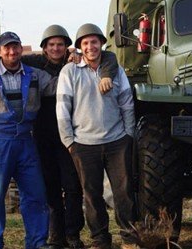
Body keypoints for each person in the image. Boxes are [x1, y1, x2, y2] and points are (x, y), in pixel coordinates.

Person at [0, 25, 119, 249]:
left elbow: (105, 57)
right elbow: (1, 64)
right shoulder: (31, 66)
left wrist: (81, 60)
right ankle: (50, 237)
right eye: (51, 44)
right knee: (40, 191)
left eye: (60, 44)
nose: (56, 48)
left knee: (69, 188)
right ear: (43, 48)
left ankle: (66, 236)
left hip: (68, 136)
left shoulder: (70, 66)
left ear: (67, 46)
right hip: (36, 138)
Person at [0, 31, 55, 249]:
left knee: (35, 195)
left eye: (15, 47)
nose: (12, 51)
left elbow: (57, 85)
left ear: (21, 49)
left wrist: (75, 65)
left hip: (26, 141)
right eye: (7, 47)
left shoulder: (34, 75)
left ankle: (37, 242)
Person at [56, 23, 137, 249]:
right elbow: (62, 108)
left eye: (94, 41)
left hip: (117, 141)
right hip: (83, 143)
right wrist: (69, 141)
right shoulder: (69, 72)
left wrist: (128, 135)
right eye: (85, 43)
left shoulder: (115, 69)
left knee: (124, 193)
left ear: (101, 43)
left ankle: (129, 238)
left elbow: (127, 103)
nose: (90, 46)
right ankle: (100, 240)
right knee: (92, 196)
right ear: (80, 47)